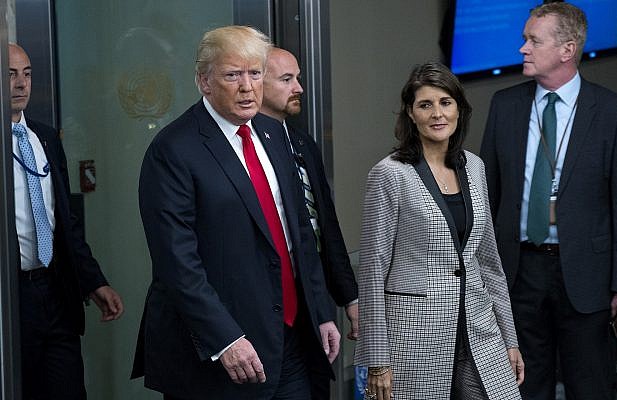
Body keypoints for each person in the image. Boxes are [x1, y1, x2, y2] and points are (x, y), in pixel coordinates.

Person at [131, 26, 340, 400]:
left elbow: (300, 235)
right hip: (220, 353)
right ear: (204, 81)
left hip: (289, 339)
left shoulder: (273, 133)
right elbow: (177, 262)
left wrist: (321, 311)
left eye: (255, 73)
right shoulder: (174, 149)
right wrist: (225, 338)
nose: (247, 87)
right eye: (233, 75)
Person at [479, 3, 617, 399]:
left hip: (586, 275)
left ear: (567, 49)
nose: (523, 49)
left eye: (533, 40)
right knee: (523, 387)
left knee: (590, 387)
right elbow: (487, 195)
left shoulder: (613, 112)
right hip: (519, 271)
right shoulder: (505, 105)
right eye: (524, 39)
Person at [354, 62, 524, 400]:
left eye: (445, 102)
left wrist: (510, 338)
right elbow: (373, 270)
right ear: (410, 112)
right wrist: (377, 360)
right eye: (425, 104)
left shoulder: (474, 167)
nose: (437, 114)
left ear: (459, 108)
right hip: (415, 335)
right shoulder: (390, 174)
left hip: (479, 327)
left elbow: (489, 262)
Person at [9, 43, 124, 400]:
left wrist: (93, 281)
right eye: (9, 74)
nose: (21, 84)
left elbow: (65, 222)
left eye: (27, 74)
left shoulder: (44, 137)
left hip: (55, 289)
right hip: (12, 297)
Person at [261, 47, 359, 399]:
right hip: (273, 306)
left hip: (312, 299)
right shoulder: (247, 151)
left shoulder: (302, 141)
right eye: (287, 80)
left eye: (298, 77)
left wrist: (349, 296)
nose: (299, 87)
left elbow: (324, 226)